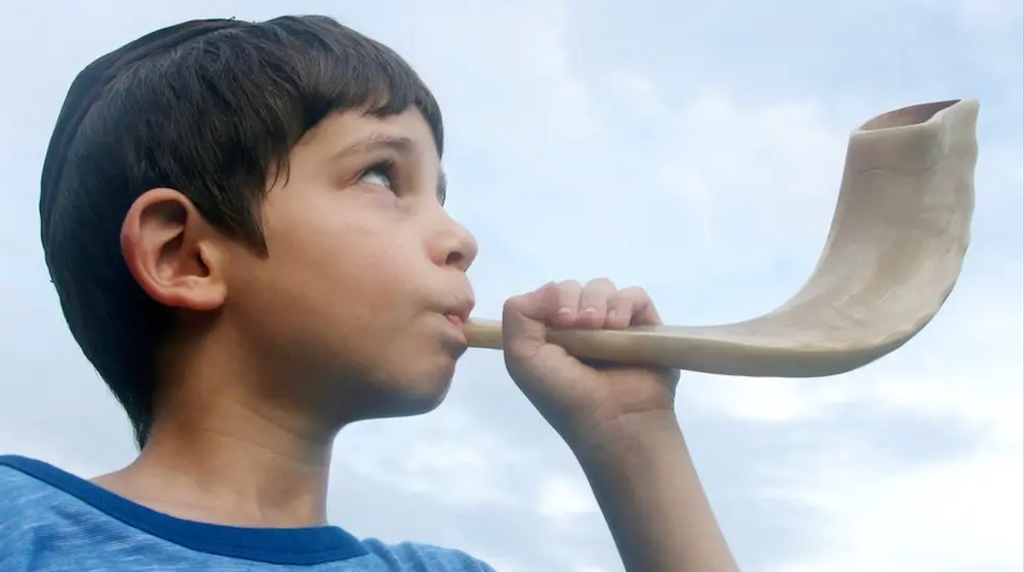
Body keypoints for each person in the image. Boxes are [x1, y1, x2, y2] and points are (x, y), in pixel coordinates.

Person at [0, 15, 738, 572]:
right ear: (186, 256)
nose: (460, 238)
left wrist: (633, 437)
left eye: (441, 194)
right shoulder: (19, 525)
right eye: (384, 177)